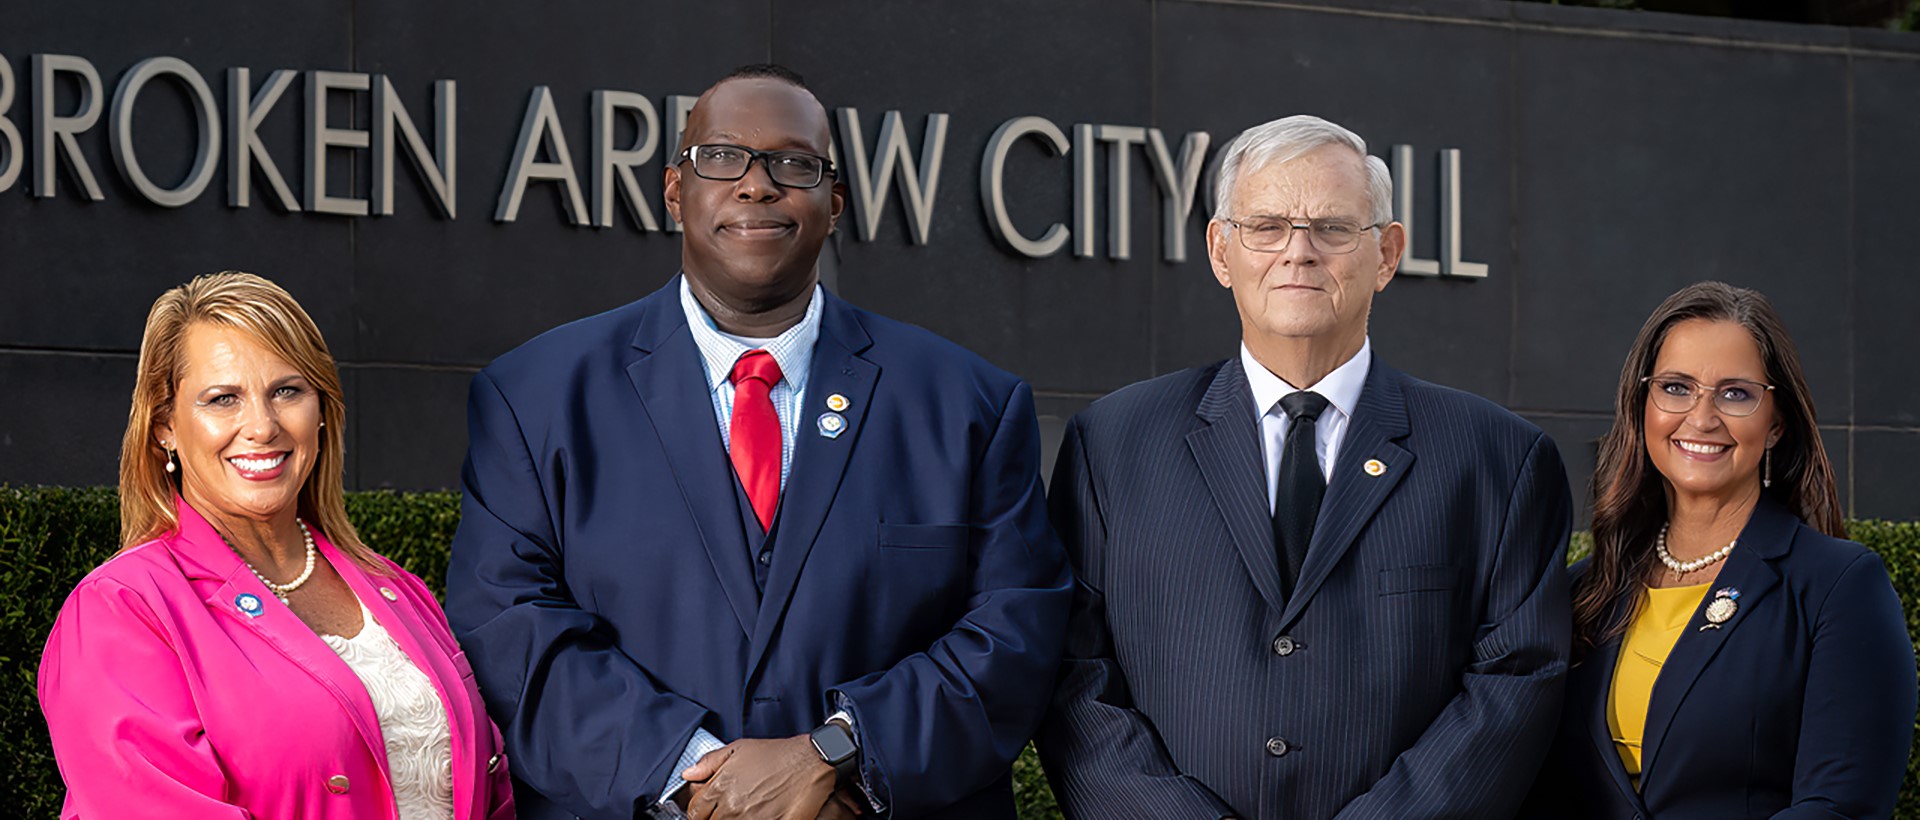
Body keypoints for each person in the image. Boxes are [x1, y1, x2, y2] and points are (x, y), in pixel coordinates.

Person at [443, 64, 1072, 820]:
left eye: (793, 164)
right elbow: (509, 624)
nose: (756, 185)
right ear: (676, 191)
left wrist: (839, 755)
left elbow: (1017, 627)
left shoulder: (967, 402)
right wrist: (697, 777)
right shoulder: (536, 394)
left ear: (834, 204)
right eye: (722, 158)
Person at [1036, 114, 1574, 819]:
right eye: (1266, 226)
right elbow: (1074, 674)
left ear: (1386, 254)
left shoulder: (1498, 459)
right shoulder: (1112, 443)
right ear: (1221, 250)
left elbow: (1513, 684)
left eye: (1332, 227)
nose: (1298, 252)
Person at [37, 271, 514, 819]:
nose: (262, 426)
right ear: (164, 426)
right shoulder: (122, 609)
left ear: (322, 410)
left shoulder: (395, 587)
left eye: (287, 390)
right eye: (222, 399)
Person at [1522, 282, 1916, 818]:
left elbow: (1841, 806)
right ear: (1643, 407)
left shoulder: (1839, 586)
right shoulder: (1585, 591)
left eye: (1735, 393)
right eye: (1676, 388)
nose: (1702, 418)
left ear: (1775, 423)